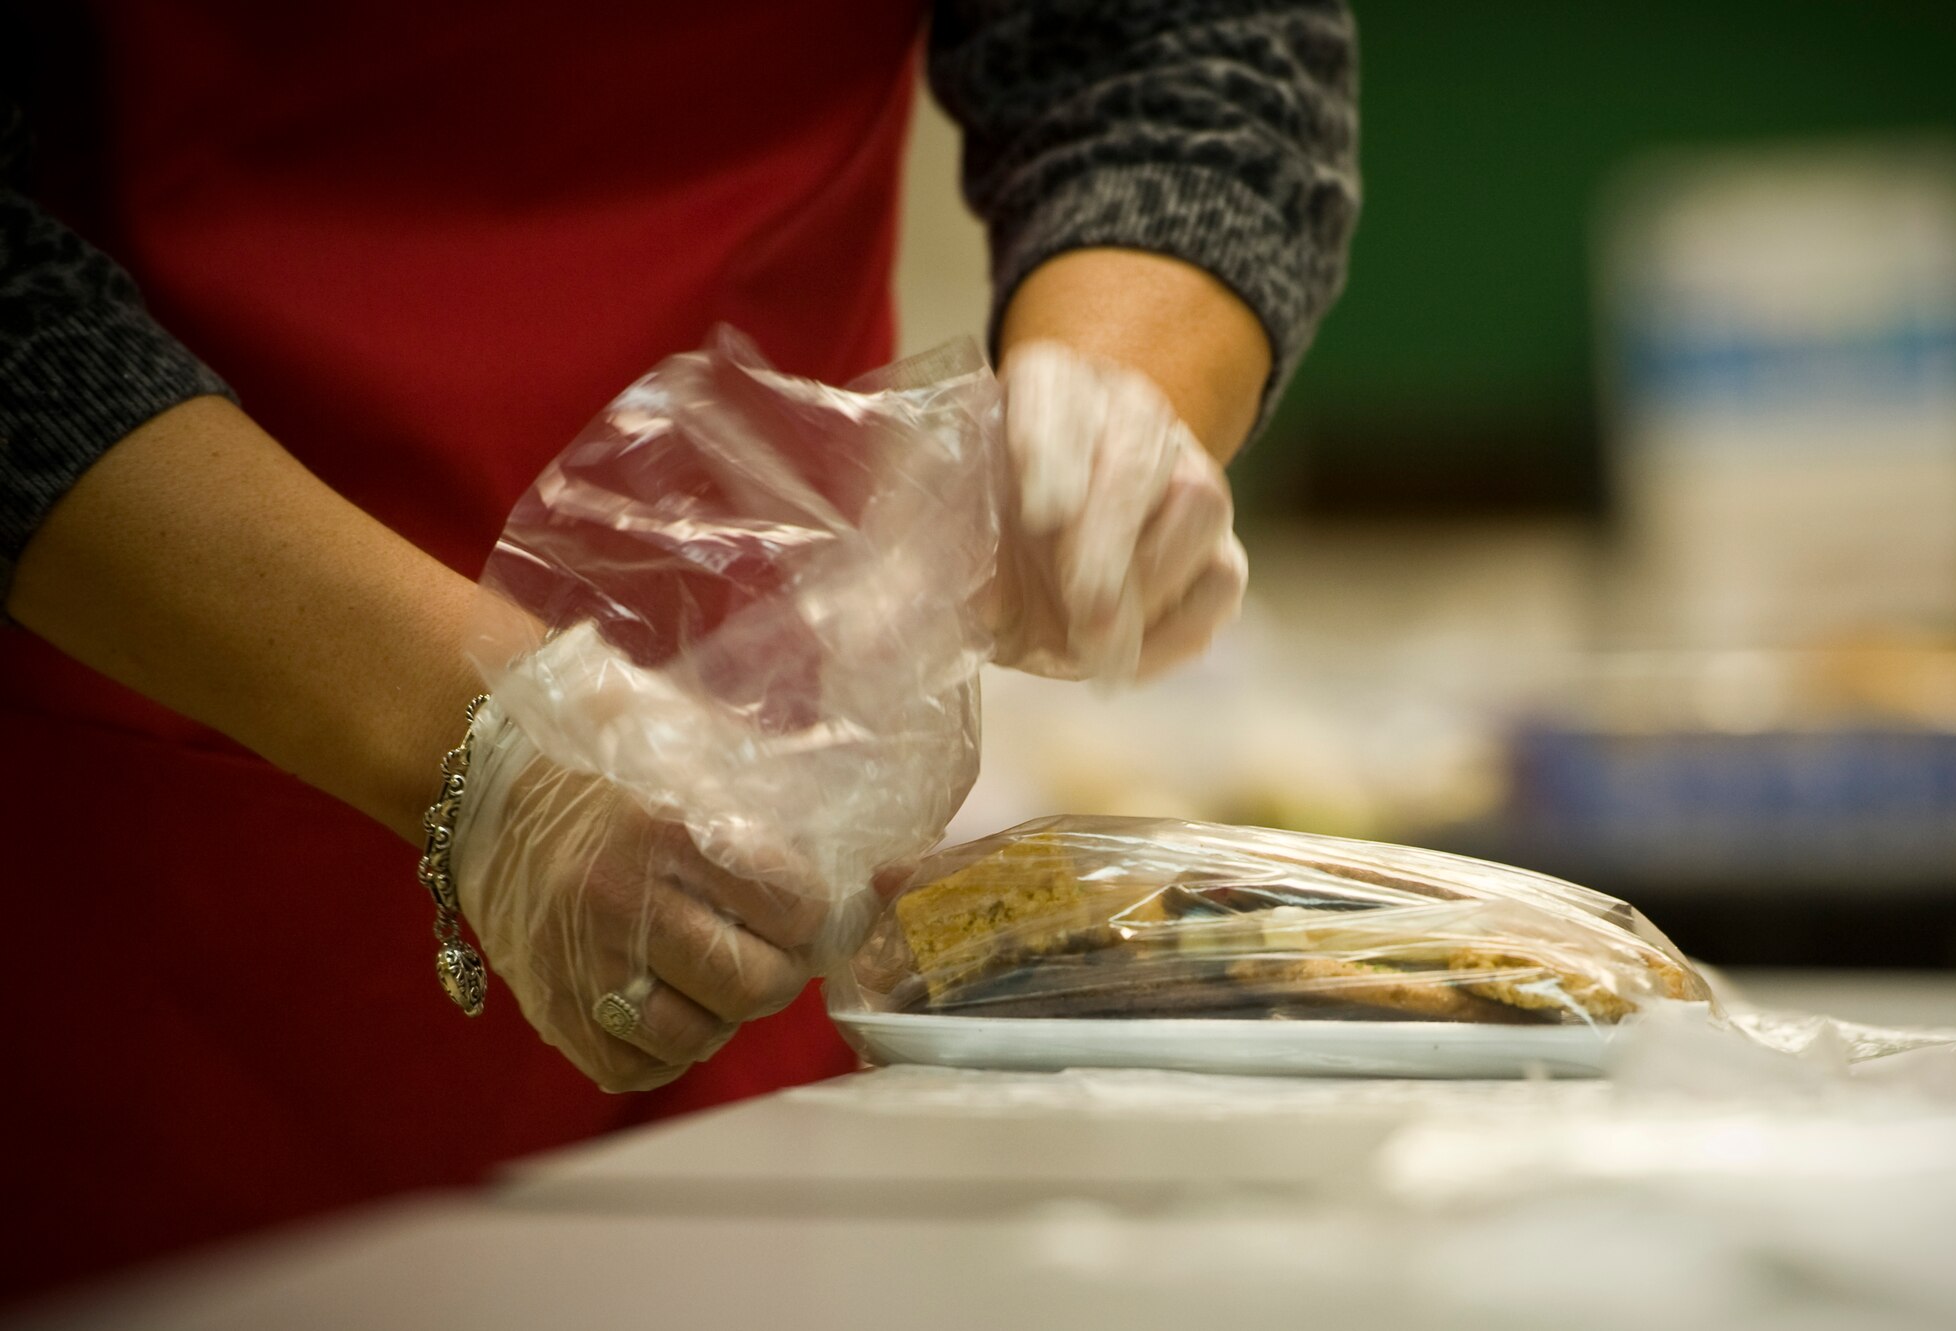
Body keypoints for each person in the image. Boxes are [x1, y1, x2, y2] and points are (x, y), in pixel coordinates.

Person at [0, 0, 1357, 1298]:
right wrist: (496, 753)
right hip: (125, 870)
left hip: (759, 911)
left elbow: (1171, 48)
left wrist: (1102, 416)